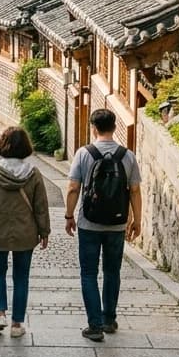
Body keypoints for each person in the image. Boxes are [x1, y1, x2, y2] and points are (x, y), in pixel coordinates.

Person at [65, 108, 141, 342]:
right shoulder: (127, 156)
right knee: (112, 272)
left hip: (89, 222)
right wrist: (137, 220)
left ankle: (94, 326)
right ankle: (109, 319)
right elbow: (135, 190)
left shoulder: (83, 153)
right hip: (117, 224)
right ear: (115, 127)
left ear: (93, 128)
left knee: (88, 273)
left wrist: (69, 216)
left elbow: (73, 188)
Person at [0, 126, 50, 338]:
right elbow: (41, 206)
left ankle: (0, 315)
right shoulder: (33, 174)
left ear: (3, 145)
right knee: (21, 277)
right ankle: (17, 325)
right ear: (26, 146)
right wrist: (44, 232)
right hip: (26, 232)